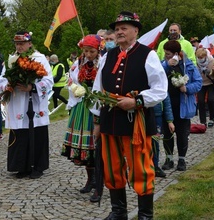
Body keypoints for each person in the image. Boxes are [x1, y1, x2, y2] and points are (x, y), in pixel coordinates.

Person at [90, 11, 167, 220]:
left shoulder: (147, 54)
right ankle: (118, 212)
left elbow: (160, 90)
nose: (119, 32)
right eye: (117, 29)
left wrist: (136, 101)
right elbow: (98, 89)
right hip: (109, 121)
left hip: (136, 123)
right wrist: (97, 121)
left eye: (124, 28)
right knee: (112, 167)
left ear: (136, 30)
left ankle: (145, 215)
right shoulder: (108, 56)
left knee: (141, 168)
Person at [0, 31, 53, 179]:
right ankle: (21, 166)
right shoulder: (12, 60)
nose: (19, 47)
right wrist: (7, 85)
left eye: (22, 44)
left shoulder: (39, 59)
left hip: (33, 103)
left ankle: (37, 166)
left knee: (36, 133)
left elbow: (48, 81)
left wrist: (32, 87)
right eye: (17, 44)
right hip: (17, 101)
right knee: (20, 133)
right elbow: (1, 80)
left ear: (30, 43)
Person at [61, 34, 102, 201]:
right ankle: (90, 179)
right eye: (85, 51)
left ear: (98, 50)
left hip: (97, 105)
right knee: (85, 146)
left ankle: (99, 182)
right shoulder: (78, 63)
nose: (88, 55)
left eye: (91, 51)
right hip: (82, 105)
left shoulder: (103, 62)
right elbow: (71, 80)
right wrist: (76, 89)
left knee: (96, 144)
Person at [160, 40, 202, 172]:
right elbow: (156, 75)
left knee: (182, 133)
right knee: (167, 133)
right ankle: (169, 158)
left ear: (177, 53)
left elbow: (198, 83)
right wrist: (167, 64)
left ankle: (182, 159)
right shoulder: (163, 64)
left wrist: (187, 88)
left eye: (168, 54)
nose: (166, 56)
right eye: (165, 54)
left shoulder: (188, 65)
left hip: (182, 104)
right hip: (167, 104)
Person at [195, 48, 214, 127]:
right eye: (199, 57)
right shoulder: (196, 62)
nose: (200, 59)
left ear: (205, 56)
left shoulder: (211, 60)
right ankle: (203, 121)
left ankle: (211, 118)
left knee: (211, 99)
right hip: (201, 83)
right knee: (200, 101)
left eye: (202, 57)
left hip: (210, 82)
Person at [153, 96, 173, 178]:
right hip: (142, 113)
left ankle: (155, 166)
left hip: (157, 115)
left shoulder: (161, 84)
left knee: (155, 142)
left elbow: (167, 103)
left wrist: (170, 121)